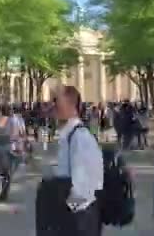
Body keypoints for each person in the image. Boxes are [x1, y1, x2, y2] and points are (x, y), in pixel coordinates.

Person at [37, 86, 104, 235]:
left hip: (76, 221)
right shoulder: (66, 135)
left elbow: (85, 186)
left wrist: (65, 216)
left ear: (70, 105)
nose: (53, 106)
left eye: (57, 101)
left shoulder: (80, 136)